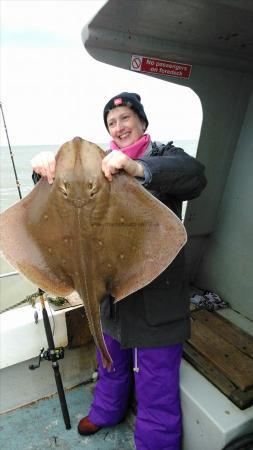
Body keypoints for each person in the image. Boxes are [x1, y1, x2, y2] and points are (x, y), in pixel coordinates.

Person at [31, 92, 207, 450]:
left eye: (126, 118)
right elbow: (56, 209)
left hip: (158, 296)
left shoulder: (162, 158)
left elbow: (194, 176)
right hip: (109, 292)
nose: (119, 126)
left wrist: (139, 168)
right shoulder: (99, 171)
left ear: (142, 122)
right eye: (112, 123)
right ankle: (107, 411)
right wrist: (42, 173)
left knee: (156, 382)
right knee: (108, 359)